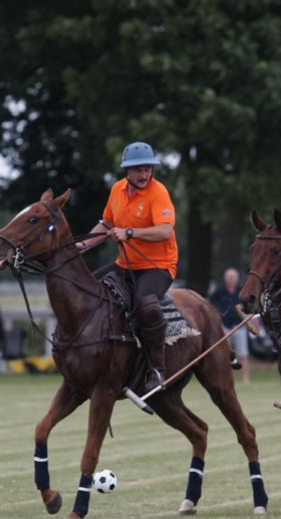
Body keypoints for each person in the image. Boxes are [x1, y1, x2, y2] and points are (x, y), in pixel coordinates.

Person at [81, 142, 178, 391]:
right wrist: (82, 245)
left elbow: (165, 231)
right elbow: (106, 224)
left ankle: (157, 370)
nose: (145, 175)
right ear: (127, 171)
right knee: (88, 290)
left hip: (158, 265)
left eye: (148, 169)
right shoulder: (117, 190)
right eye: (139, 170)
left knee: (146, 304)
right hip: (125, 264)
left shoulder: (159, 193)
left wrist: (130, 232)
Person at [209, 267, 250, 385]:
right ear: (226, 279)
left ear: (237, 279)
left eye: (233, 277)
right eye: (229, 277)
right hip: (224, 327)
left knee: (243, 354)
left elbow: (249, 304)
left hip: (239, 326)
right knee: (225, 354)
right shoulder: (219, 291)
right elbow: (209, 303)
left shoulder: (242, 290)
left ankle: (246, 380)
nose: (231, 279)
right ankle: (226, 379)